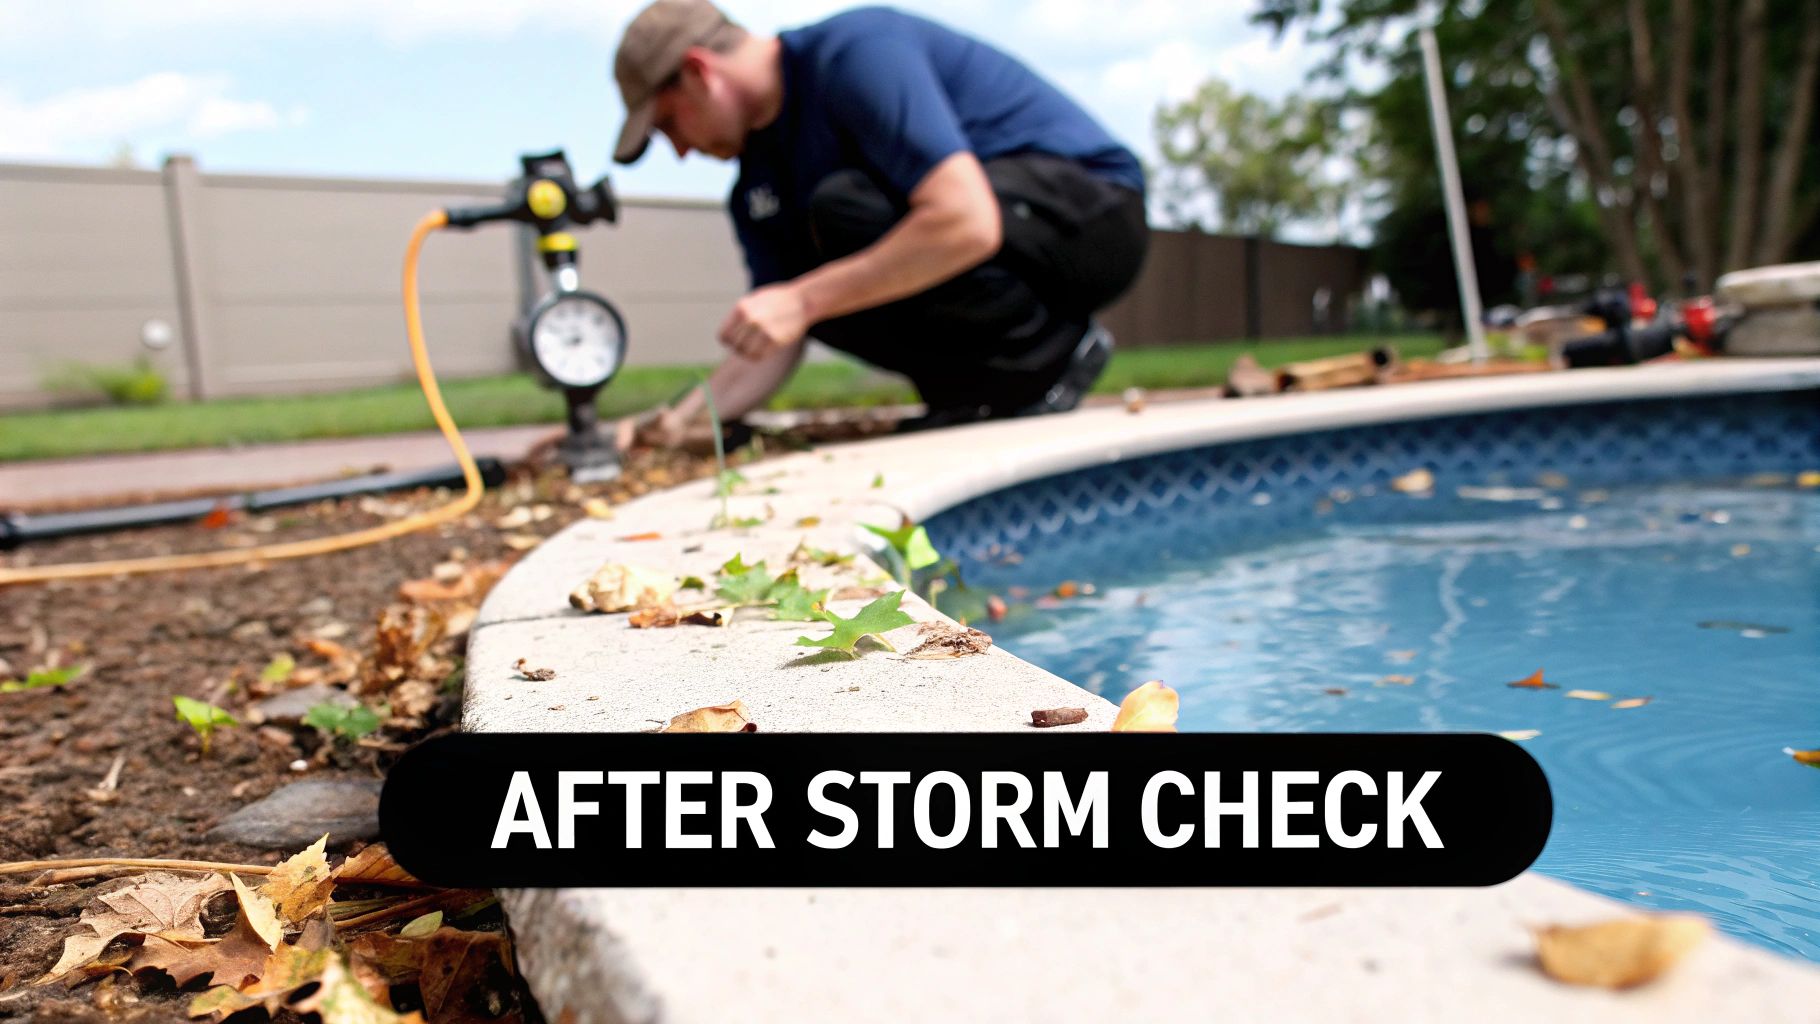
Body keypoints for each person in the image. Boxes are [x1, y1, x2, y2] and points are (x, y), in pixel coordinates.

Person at [610, 0, 1149, 445]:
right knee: (811, 267)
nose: (678, 151)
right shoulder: (756, 187)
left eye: (667, 124)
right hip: (999, 238)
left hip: (1093, 215)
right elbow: (774, 333)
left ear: (699, 72)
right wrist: (668, 425)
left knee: (840, 214)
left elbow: (968, 221)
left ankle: (1056, 355)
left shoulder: (855, 53)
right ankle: (985, 392)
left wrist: (802, 300)